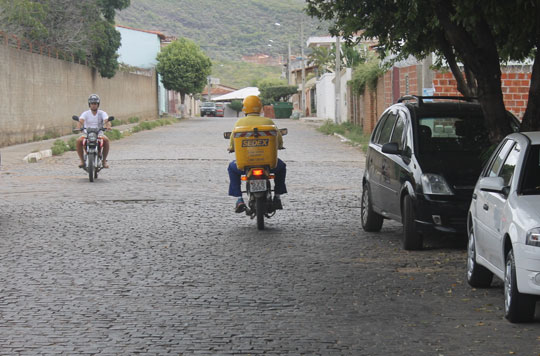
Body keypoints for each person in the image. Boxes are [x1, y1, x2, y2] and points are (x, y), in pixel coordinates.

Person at [227, 95, 287, 213]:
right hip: (269, 164)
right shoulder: (268, 122)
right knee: (281, 167)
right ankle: (278, 196)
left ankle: (239, 199)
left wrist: (231, 148)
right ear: (260, 108)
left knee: (232, 168)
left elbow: (233, 141)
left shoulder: (239, 123)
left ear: (245, 109)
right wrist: (279, 146)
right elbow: (278, 139)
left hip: (245, 164)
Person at [76, 94, 111, 168]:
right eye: (92, 103)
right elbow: (80, 121)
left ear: (98, 104)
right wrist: (79, 127)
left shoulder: (102, 113)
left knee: (106, 140)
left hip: (99, 134)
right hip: (87, 134)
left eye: (95, 103)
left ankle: (104, 161)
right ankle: (82, 161)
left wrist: (108, 126)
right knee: (78, 141)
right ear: (89, 104)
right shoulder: (85, 113)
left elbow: (106, 120)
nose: (93, 105)